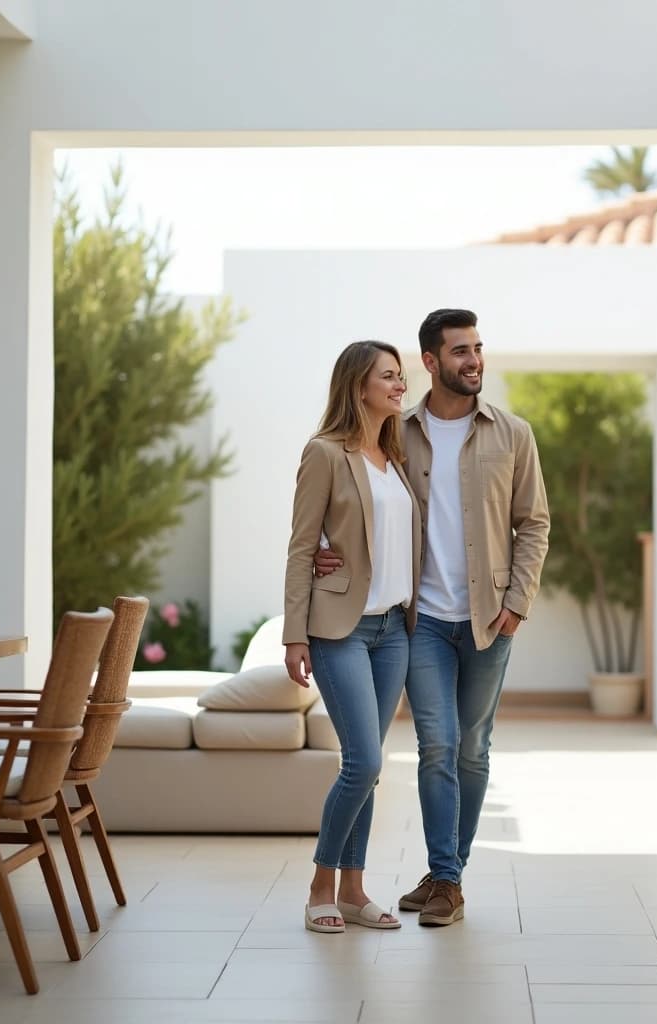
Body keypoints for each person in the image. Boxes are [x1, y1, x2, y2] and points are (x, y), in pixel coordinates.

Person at [317, 308, 550, 926]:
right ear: (431, 361)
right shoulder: (399, 434)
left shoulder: (512, 434)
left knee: (473, 749)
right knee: (437, 747)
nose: (473, 361)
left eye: (478, 349)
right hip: (419, 623)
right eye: (459, 352)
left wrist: (517, 602)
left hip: (489, 620)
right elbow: (359, 498)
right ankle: (447, 880)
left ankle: (446, 873)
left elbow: (535, 522)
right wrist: (326, 552)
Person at [284, 340, 422, 934]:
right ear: (358, 386)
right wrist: (295, 635)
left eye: (399, 376)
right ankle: (320, 885)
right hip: (342, 628)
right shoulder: (325, 454)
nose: (399, 385)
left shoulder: (395, 454)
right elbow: (300, 546)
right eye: (388, 377)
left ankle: (354, 890)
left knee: (372, 764)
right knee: (362, 760)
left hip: (395, 629)